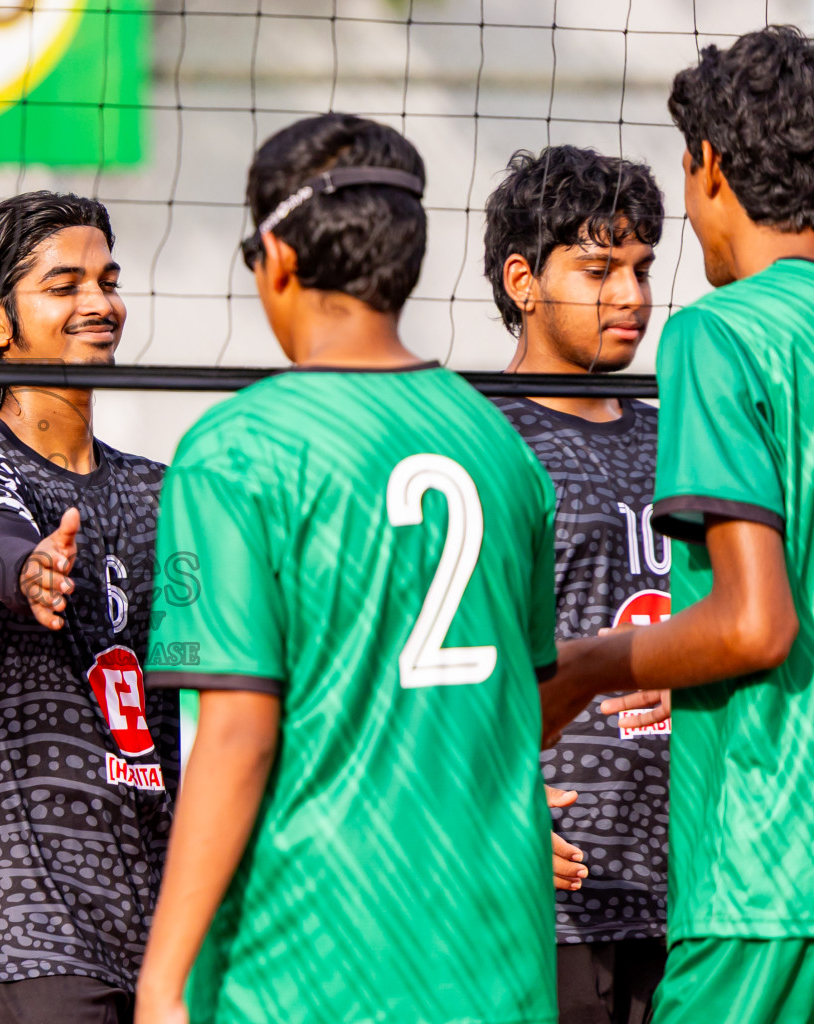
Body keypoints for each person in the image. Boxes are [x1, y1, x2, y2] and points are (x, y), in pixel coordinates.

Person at [135, 113, 561, 1024]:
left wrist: (161, 978)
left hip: (312, 958)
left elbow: (239, 731)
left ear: (278, 259)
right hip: (498, 954)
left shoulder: (233, 450)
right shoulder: (500, 444)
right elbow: (527, 696)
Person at [542, 25, 814, 1024]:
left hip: (768, 881)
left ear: (707, 168)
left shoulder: (719, 332)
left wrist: (588, 665)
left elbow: (755, 625)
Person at [0, 191, 179, 1024]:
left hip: (159, 924)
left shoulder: (159, 490)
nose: (100, 304)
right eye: (65, 286)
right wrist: (29, 569)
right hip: (17, 925)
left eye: (108, 280)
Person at [483, 145, 670, 1024]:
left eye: (640, 268)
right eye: (599, 270)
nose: (631, 296)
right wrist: (495, 803)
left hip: (689, 886)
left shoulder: (680, 435)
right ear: (522, 279)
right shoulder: (474, 441)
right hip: (538, 893)